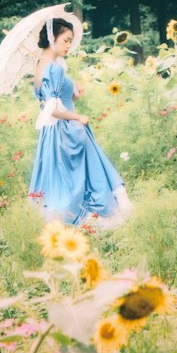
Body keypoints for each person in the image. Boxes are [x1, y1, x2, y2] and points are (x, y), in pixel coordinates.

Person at [28, 16, 132, 227]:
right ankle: (87, 221)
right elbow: (54, 109)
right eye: (65, 40)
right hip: (66, 131)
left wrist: (73, 95)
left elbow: (54, 100)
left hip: (51, 135)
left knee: (61, 179)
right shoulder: (53, 68)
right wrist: (78, 117)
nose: (69, 45)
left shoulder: (41, 66)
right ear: (51, 38)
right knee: (84, 177)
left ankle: (64, 222)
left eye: (70, 41)